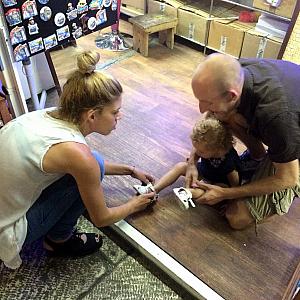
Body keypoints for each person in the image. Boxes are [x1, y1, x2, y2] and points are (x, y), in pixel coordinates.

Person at [0, 50, 155, 269]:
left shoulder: (47, 115)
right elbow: (101, 217)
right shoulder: (77, 154)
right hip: (6, 233)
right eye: (115, 112)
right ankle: (59, 242)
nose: (120, 117)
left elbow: (85, 165)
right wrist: (135, 204)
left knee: (95, 163)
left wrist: (129, 170)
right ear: (92, 115)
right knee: (94, 166)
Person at [189, 53, 300, 230]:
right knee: (222, 113)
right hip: (285, 128)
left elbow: (288, 178)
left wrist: (227, 193)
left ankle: (272, 162)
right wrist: (192, 162)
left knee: (237, 218)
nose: (201, 109)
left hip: (292, 143)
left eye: (207, 101)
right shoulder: (234, 70)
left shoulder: (277, 117)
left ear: (232, 95)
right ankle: (259, 158)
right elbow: (209, 120)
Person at [134, 117, 242, 210]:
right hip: (206, 171)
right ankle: (153, 190)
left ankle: (187, 193)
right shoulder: (209, 148)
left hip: (220, 182)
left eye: (201, 152)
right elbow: (197, 155)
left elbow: (235, 185)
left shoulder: (229, 163)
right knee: (181, 166)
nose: (197, 153)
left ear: (217, 149)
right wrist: (192, 164)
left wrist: (231, 202)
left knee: (210, 189)